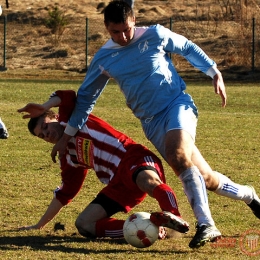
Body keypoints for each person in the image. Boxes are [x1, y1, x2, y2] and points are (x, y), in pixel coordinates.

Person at [44, 1, 259, 249]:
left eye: (126, 29)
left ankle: (206, 224)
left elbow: (186, 47)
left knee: (177, 154)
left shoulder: (155, 34)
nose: (123, 36)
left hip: (177, 105)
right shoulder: (104, 58)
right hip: (151, 122)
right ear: (106, 27)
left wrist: (214, 72)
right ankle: (249, 195)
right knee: (206, 178)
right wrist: (65, 136)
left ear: (134, 20)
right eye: (115, 32)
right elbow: (85, 101)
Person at [18, 90, 190, 240]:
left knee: (148, 181)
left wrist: (44, 105)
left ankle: (174, 217)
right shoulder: (69, 158)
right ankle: (148, 230)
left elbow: (67, 96)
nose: (47, 135)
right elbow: (65, 194)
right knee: (84, 224)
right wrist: (39, 225)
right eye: (42, 136)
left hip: (133, 157)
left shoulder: (72, 117)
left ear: (55, 116)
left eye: (45, 127)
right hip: (118, 184)